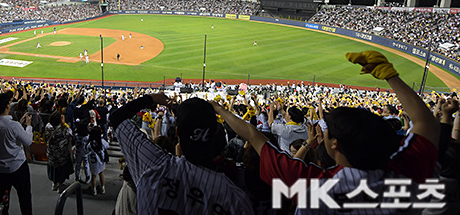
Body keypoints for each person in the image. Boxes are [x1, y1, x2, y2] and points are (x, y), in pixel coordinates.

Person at [212, 50, 441, 212]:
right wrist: (391, 76)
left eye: (329, 131)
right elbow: (426, 123)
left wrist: (218, 108)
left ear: (335, 145)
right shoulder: (407, 169)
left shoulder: (314, 185)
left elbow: (253, 135)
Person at [110, 93, 253, 214]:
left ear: (177, 132)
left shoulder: (153, 167)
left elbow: (117, 117)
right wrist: (221, 109)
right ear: (215, 133)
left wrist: (153, 98)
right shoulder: (236, 199)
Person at [0, 90, 34, 215]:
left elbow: (5, 134)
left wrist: (19, 124)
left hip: (1, 168)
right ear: (7, 106)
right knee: (24, 197)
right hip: (18, 167)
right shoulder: (14, 126)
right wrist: (28, 126)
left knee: (3, 198)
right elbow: (28, 142)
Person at [46, 111, 74, 193]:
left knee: (53, 169)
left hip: (51, 153)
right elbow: (70, 134)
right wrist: (64, 123)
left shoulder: (48, 127)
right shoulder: (63, 129)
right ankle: (60, 186)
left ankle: (54, 184)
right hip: (61, 154)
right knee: (61, 171)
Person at [87, 126, 110, 195]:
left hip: (93, 162)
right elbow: (107, 146)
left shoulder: (89, 143)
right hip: (101, 161)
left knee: (93, 176)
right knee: (101, 173)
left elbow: (87, 150)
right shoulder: (102, 142)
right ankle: (102, 188)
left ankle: (94, 190)